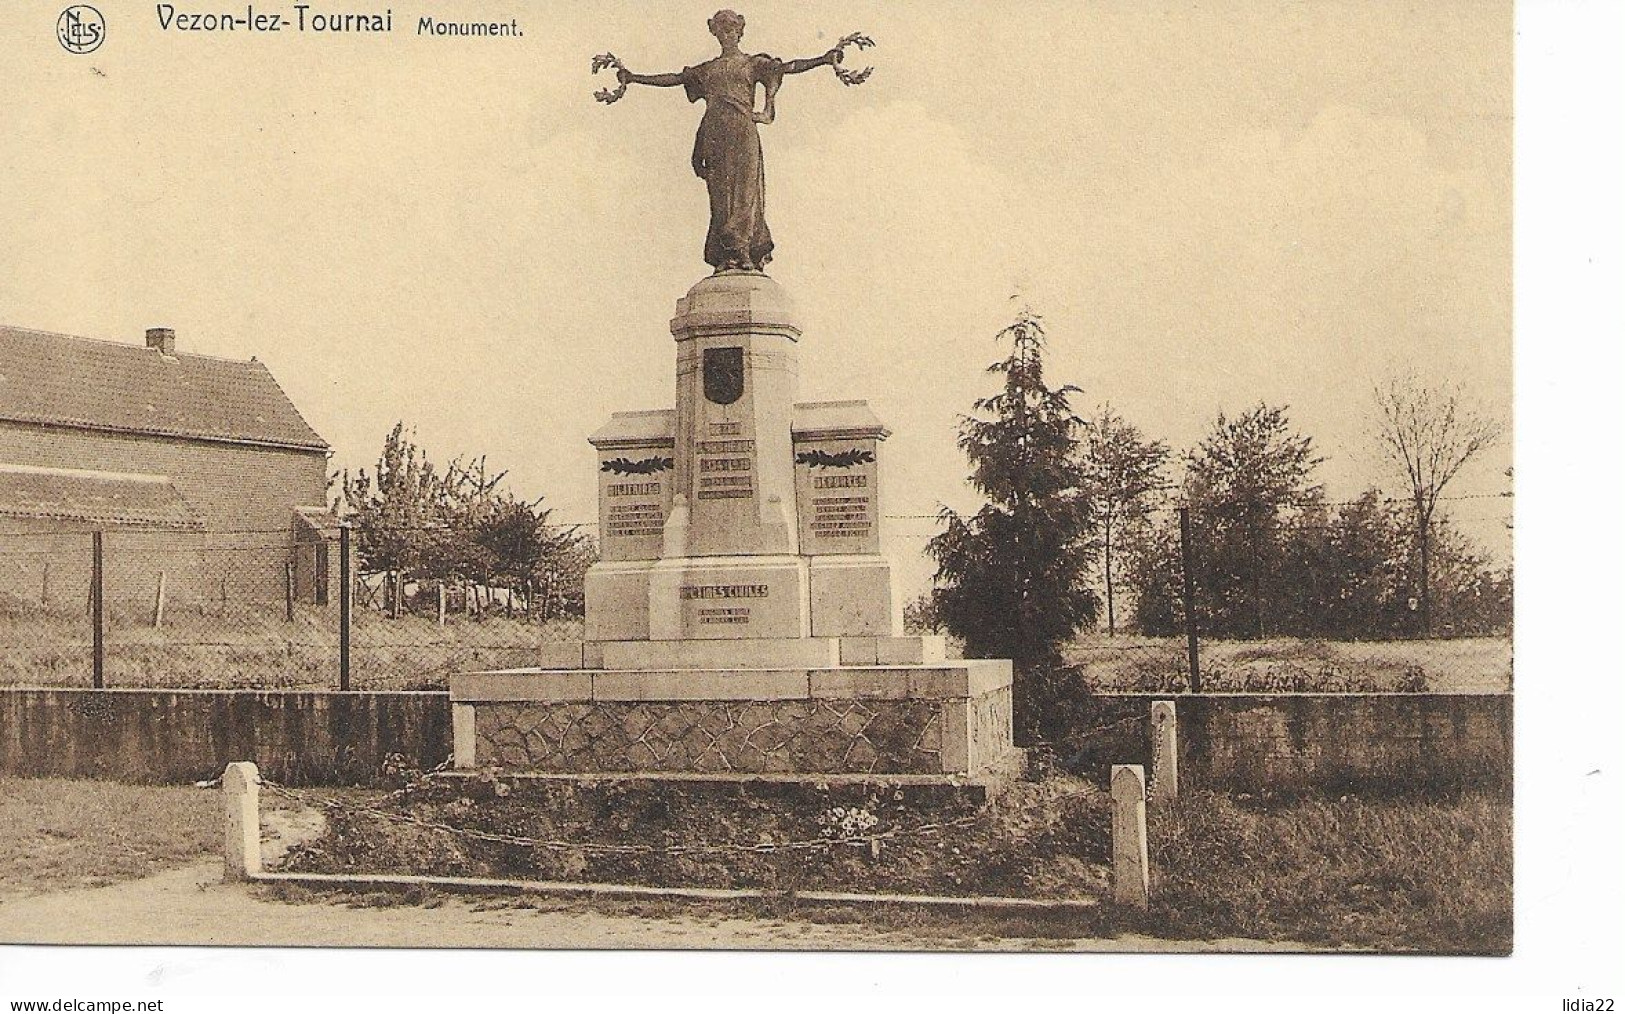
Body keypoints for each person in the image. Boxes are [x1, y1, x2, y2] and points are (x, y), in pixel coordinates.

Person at [616, 10, 842, 272]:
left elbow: (787, 67)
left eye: (731, 30)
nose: (727, 35)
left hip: (743, 132)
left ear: (739, 32)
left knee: (745, 193)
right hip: (714, 136)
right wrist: (633, 78)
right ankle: (727, 255)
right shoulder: (708, 70)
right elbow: (675, 79)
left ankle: (744, 252)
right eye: (721, 31)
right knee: (721, 198)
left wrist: (824, 60)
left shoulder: (752, 63)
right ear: (715, 33)